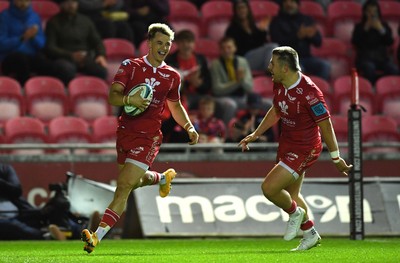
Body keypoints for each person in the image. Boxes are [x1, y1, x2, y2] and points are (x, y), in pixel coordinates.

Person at [80, 23, 199, 254]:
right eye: (159, 43)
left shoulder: (172, 76)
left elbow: (175, 105)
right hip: (125, 132)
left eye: (167, 44)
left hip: (149, 136)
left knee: (123, 186)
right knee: (132, 182)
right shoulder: (130, 66)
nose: (164, 47)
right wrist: (128, 100)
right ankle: (161, 178)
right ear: (149, 42)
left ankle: (97, 237)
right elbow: (112, 97)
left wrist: (189, 126)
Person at [239, 46, 352, 251]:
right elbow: (276, 110)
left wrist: (336, 158)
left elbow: (326, 125)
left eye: (272, 63)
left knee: (270, 188)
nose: (268, 67)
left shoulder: (310, 93)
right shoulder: (279, 83)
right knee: (293, 194)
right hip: (287, 142)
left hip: (305, 148)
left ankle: (295, 213)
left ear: (284, 68)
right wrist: (256, 134)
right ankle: (310, 234)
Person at [45, 0, 108, 85]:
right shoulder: (53, 22)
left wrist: (101, 55)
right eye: (68, 3)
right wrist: (71, 55)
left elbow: (97, 41)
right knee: (66, 70)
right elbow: (50, 47)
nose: (71, 5)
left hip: (84, 57)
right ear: (62, 5)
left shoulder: (85, 21)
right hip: (64, 57)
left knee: (101, 71)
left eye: (73, 2)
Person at [269, 0, 331, 81]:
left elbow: (318, 42)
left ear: (297, 4)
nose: (289, 4)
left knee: (325, 66)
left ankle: (318, 91)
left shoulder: (306, 19)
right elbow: (277, 43)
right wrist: (297, 36)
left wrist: (311, 36)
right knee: (298, 69)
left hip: (306, 58)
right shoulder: (276, 22)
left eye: (292, 2)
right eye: (286, 2)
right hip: (288, 60)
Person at [0, 163, 65, 240]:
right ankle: (45, 236)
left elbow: (17, 190)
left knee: (51, 209)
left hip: (18, 213)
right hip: (4, 220)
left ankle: (75, 232)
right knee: (13, 226)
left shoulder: (4, 169)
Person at [0, 0, 58, 85]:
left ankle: (46, 89)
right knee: (21, 60)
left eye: (26, 1)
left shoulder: (35, 16)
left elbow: (41, 44)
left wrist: (33, 37)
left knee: (45, 63)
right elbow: (1, 44)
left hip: (31, 56)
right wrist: (22, 38)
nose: (23, 3)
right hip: (9, 57)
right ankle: (24, 90)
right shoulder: (4, 16)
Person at [352, 0, 399, 85]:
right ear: (365, 12)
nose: (372, 14)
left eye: (374, 11)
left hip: (382, 59)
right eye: (369, 11)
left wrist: (381, 29)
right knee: (369, 68)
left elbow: (390, 42)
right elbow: (356, 43)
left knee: (394, 69)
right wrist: (365, 29)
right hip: (365, 59)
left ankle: (384, 85)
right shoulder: (359, 27)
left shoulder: (383, 26)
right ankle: (373, 88)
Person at [209, 36, 254, 125]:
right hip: (222, 98)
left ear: (235, 48)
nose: (226, 50)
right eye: (223, 48)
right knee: (231, 105)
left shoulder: (243, 61)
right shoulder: (215, 64)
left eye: (229, 47)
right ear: (220, 50)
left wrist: (242, 80)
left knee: (266, 104)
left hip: (241, 97)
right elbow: (217, 90)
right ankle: (226, 136)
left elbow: (249, 87)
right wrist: (237, 82)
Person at [225, 0, 278, 73]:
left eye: (243, 8)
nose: (242, 10)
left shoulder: (252, 25)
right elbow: (237, 50)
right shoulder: (232, 29)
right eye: (239, 8)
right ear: (235, 11)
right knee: (273, 47)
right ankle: (271, 71)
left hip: (257, 58)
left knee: (275, 49)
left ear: (247, 9)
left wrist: (262, 31)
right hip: (243, 60)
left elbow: (260, 44)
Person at [166, 29, 212, 110]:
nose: (186, 45)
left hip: (200, 95)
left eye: (189, 42)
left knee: (220, 105)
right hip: (180, 97)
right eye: (182, 42)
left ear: (194, 44)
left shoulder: (201, 59)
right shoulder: (170, 61)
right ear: (177, 44)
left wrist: (199, 85)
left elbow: (208, 84)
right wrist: (188, 83)